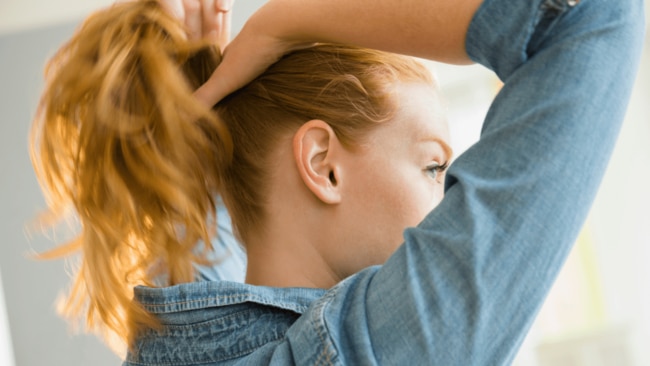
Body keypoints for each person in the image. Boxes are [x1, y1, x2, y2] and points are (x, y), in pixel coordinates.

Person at [30, 0, 644, 365]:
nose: (449, 199)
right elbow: (591, 11)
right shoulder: (377, 348)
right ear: (322, 163)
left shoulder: (197, 340)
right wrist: (284, 21)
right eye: (435, 167)